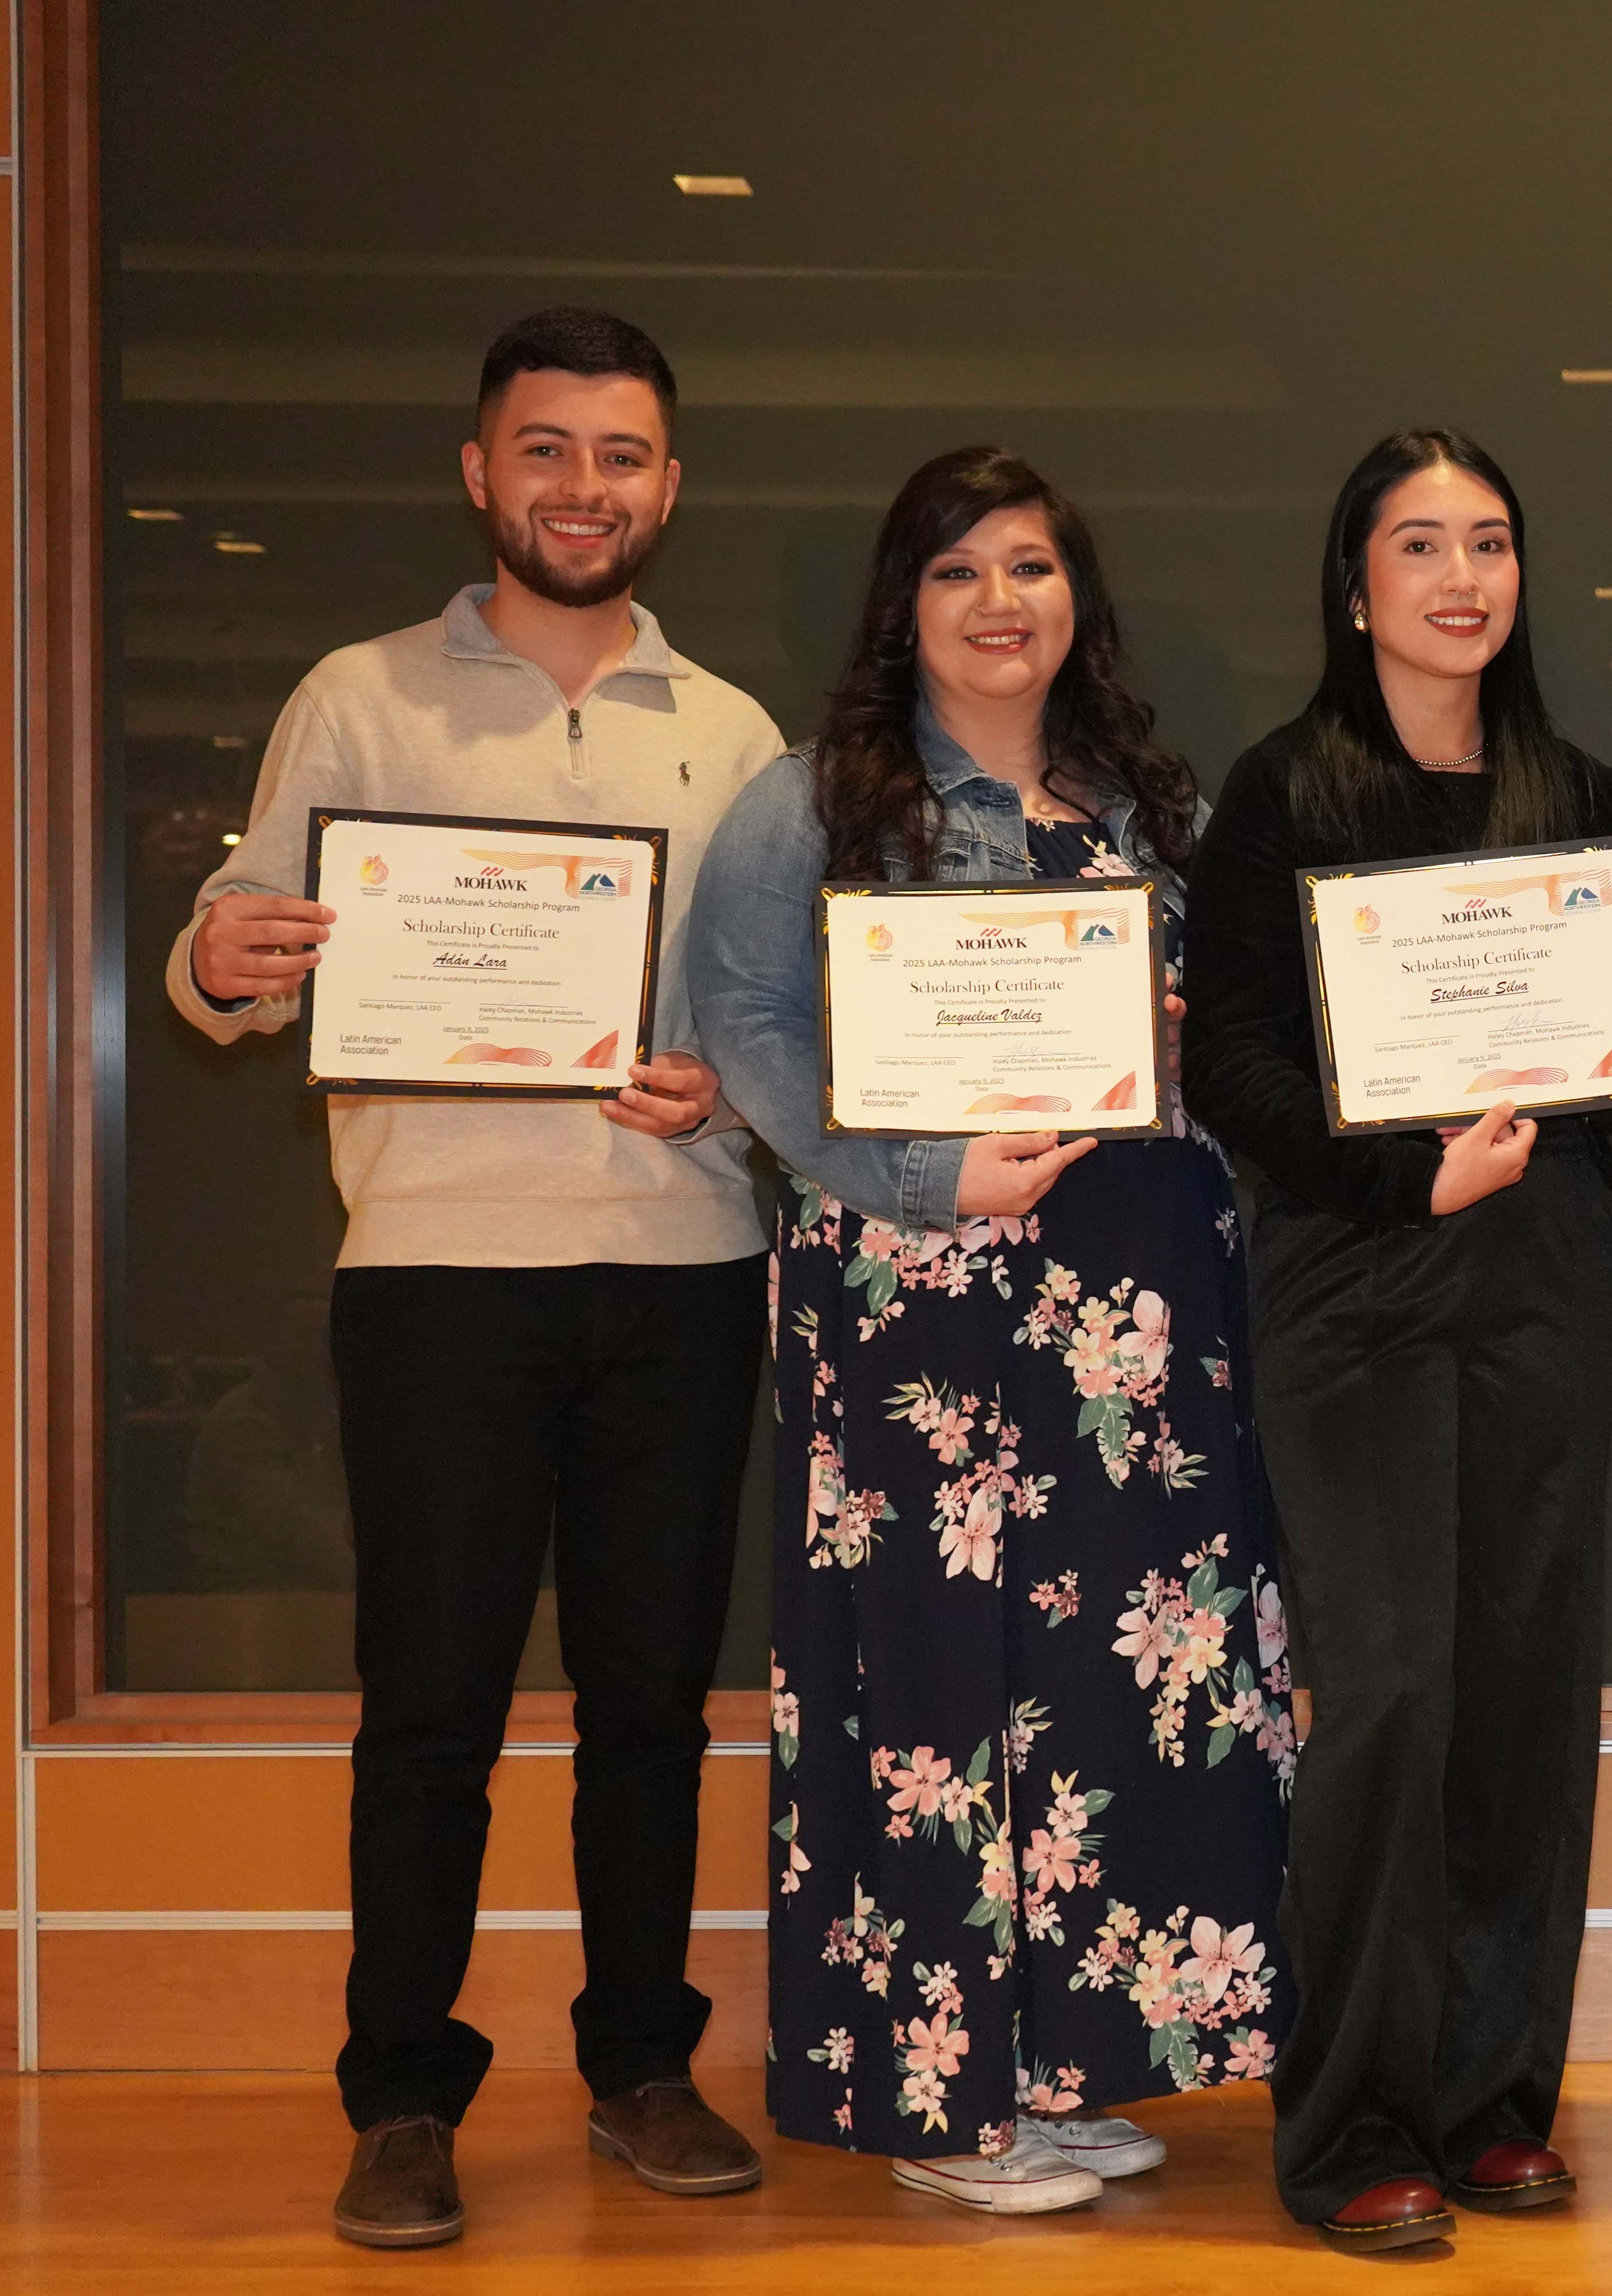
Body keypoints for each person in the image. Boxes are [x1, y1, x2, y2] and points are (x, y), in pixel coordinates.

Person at [165, 308, 786, 2250]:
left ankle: (640, 2066)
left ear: (667, 489)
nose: (580, 488)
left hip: (680, 1268)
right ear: (479, 472)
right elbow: (225, 967)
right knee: (427, 1705)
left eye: (619, 456)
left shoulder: (736, 732)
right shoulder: (356, 698)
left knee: (650, 1708)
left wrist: (733, 1101)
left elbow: (777, 1026)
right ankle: (404, 2097)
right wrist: (229, 956)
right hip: (435, 1267)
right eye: (545, 450)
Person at [688, 448, 1295, 2217]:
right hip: (917, 1294)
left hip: (1132, 1301)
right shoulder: (808, 802)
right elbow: (744, 1025)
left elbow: (1212, 1041)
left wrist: (1182, 1028)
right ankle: (937, 2094)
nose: (1000, 603)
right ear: (907, 605)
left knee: (1123, 1674)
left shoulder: (1144, 808)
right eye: (957, 573)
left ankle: (1064, 2061)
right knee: (936, 1679)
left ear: (1077, 600)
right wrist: (923, 1170)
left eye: (1030, 567)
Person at [1182, 429, 1612, 2254]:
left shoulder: (1582, 793)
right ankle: (1353, 2129)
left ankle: (1489, 2104)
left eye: (1490, 541)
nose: (1461, 577)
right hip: (1359, 1276)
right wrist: (1403, 1176)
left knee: (1526, 1693)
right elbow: (1231, 1064)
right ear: (1356, 583)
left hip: (1546, 1278)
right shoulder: (1282, 794)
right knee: (1387, 1697)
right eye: (1418, 544)